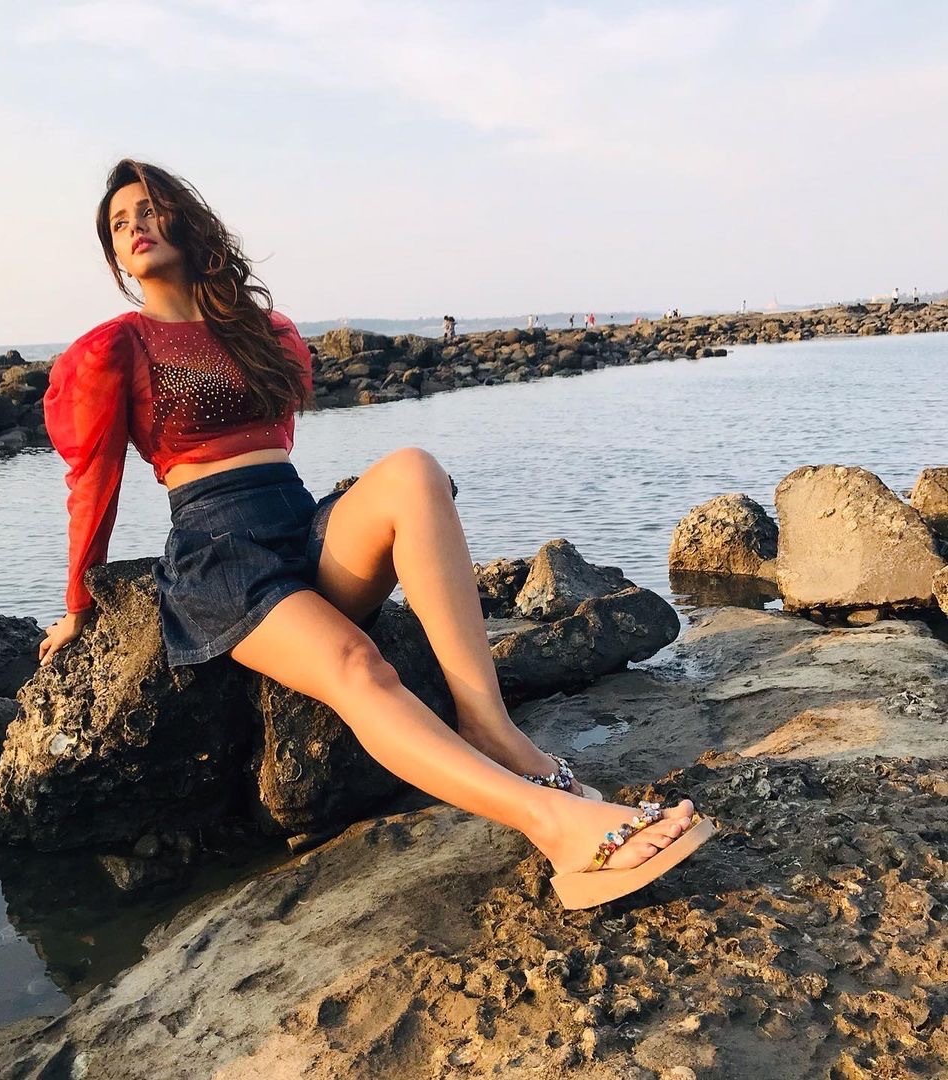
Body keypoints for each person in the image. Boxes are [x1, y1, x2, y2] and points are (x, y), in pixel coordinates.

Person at [36, 159, 710, 910]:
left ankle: (489, 726)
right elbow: (92, 482)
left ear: (187, 222)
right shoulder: (115, 348)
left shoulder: (263, 333)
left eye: (150, 209)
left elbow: (277, 437)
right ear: (113, 253)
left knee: (414, 470)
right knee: (360, 665)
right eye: (119, 223)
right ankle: (555, 826)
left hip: (298, 524)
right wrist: (77, 605)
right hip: (219, 555)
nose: (136, 226)